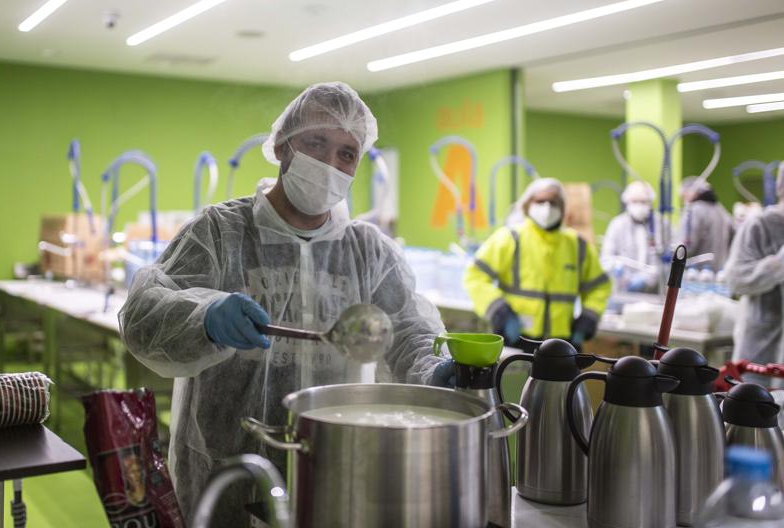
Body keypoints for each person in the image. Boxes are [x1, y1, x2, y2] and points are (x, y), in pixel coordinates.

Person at [119, 82, 449, 526]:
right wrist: (205, 317)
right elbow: (142, 315)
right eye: (316, 143)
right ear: (281, 146)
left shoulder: (368, 250)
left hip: (334, 473)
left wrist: (435, 369)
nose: (330, 163)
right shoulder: (220, 232)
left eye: (347, 153)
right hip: (226, 476)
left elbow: (409, 332)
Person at [464, 178, 611, 347]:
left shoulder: (577, 245)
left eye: (553, 202)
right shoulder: (510, 238)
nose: (547, 207)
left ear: (563, 208)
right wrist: (499, 311)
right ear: (528, 205)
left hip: (562, 343)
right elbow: (475, 276)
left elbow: (600, 286)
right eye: (540, 201)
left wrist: (589, 317)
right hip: (516, 338)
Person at [724, 169, 784, 386]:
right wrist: (777, 265)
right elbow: (735, 279)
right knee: (755, 410)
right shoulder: (761, 225)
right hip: (760, 346)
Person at [600, 180, 660, 293]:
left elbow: (669, 260)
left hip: (655, 292)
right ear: (627, 202)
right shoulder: (617, 224)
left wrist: (648, 279)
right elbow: (606, 257)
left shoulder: (661, 225)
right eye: (634, 201)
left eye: (643, 201)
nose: (639, 205)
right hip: (623, 290)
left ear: (650, 202)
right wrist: (617, 268)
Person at [680, 177, 735, 270]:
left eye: (683, 195)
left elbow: (687, 247)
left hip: (697, 272)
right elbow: (733, 237)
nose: (683, 200)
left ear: (692, 192)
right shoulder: (721, 210)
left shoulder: (694, 210)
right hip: (720, 270)